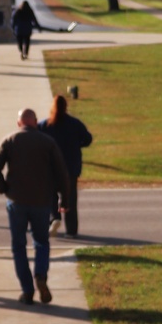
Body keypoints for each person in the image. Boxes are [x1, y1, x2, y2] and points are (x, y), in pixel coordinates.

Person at [0, 108, 70, 305]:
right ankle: (40, 275)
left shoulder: (9, 140)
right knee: (41, 242)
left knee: (18, 246)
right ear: (35, 122)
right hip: (42, 202)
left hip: (16, 201)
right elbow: (62, 174)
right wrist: (64, 200)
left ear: (19, 123)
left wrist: (5, 189)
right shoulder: (47, 142)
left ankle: (27, 291)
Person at [39, 94, 93, 237]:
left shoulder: (45, 125)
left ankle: (54, 218)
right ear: (66, 107)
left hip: (51, 169)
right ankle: (71, 230)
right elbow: (88, 139)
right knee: (70, 198)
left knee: (51, 195)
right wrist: (77, 145)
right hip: (71, 168)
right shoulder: (75, 124)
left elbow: (36, 138)